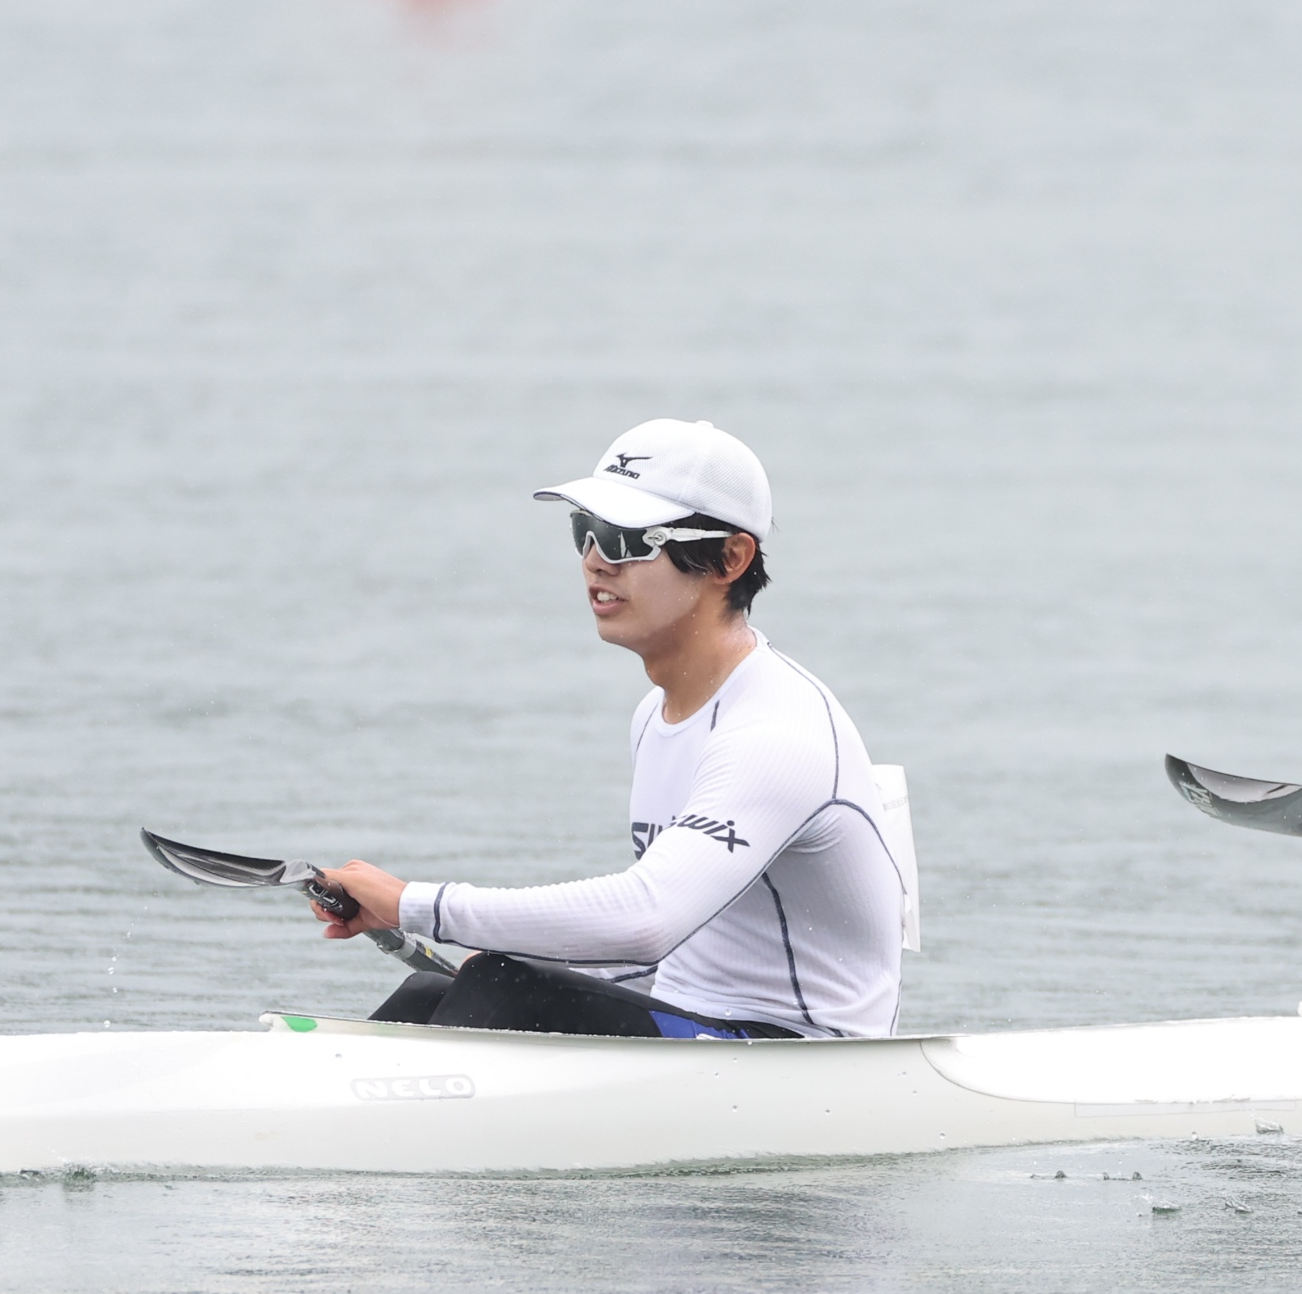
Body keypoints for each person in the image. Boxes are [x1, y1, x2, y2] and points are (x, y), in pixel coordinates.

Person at [310, 418, 907, 1039]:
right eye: (585, 532)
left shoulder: (776, 732)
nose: (596, 561)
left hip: (803, 1055)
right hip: (698, 1027)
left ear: (730, 559)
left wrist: (415, 905)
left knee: (500, 984)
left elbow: (649, 918)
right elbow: (663, 952)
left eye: (628, 541)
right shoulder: (654, 715)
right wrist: (506, 947)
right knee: (441, 988)